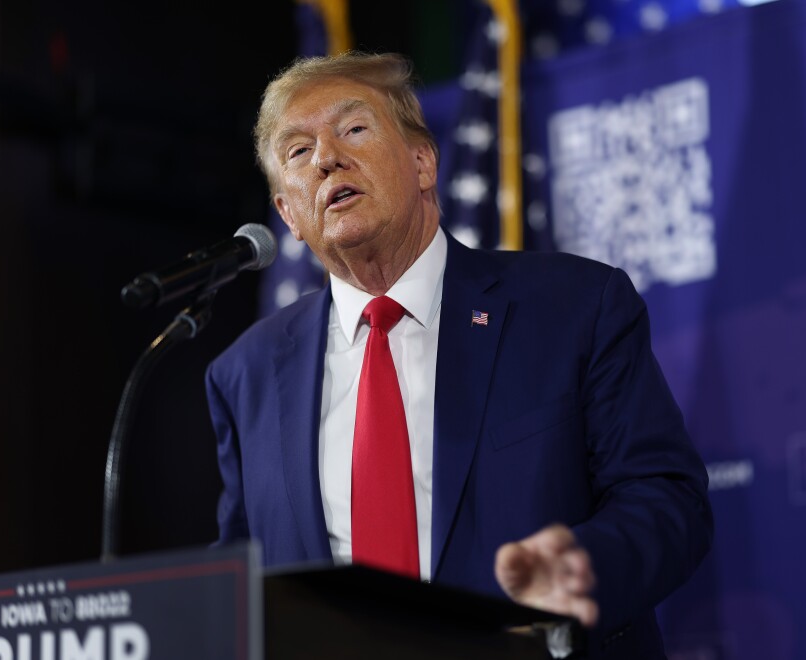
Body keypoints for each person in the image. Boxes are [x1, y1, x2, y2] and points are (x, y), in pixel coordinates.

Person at [206, 51, 713, 658]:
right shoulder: (246, 373)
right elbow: (241, 580)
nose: (326, 158)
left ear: (423, 162)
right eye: (297, 151)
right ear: (287, 214)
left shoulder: (575, 306)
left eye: (354, 129)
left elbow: (667, 497)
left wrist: (578, 569)